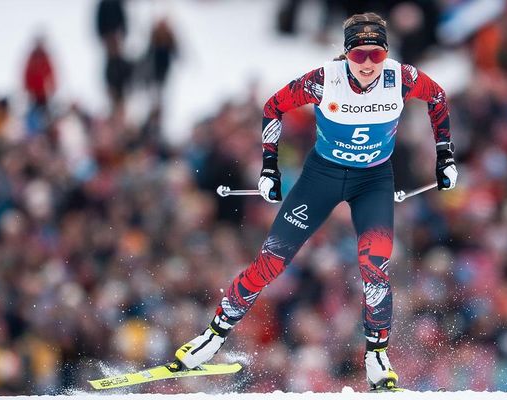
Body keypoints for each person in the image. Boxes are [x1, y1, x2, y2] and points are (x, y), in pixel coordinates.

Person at [172, 12, 458, 391]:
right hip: (323, 176)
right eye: (359, 56)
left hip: (372, 179)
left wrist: (445, 156)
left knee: (375, 263)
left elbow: (437, 97)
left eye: (377, 55)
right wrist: (269, 169)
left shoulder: (401, 78)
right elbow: (273, 106)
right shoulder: (325, 80)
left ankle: (376, 355)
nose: (369, 65)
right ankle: (213, 335)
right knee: (272, 261)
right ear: (346, 55)